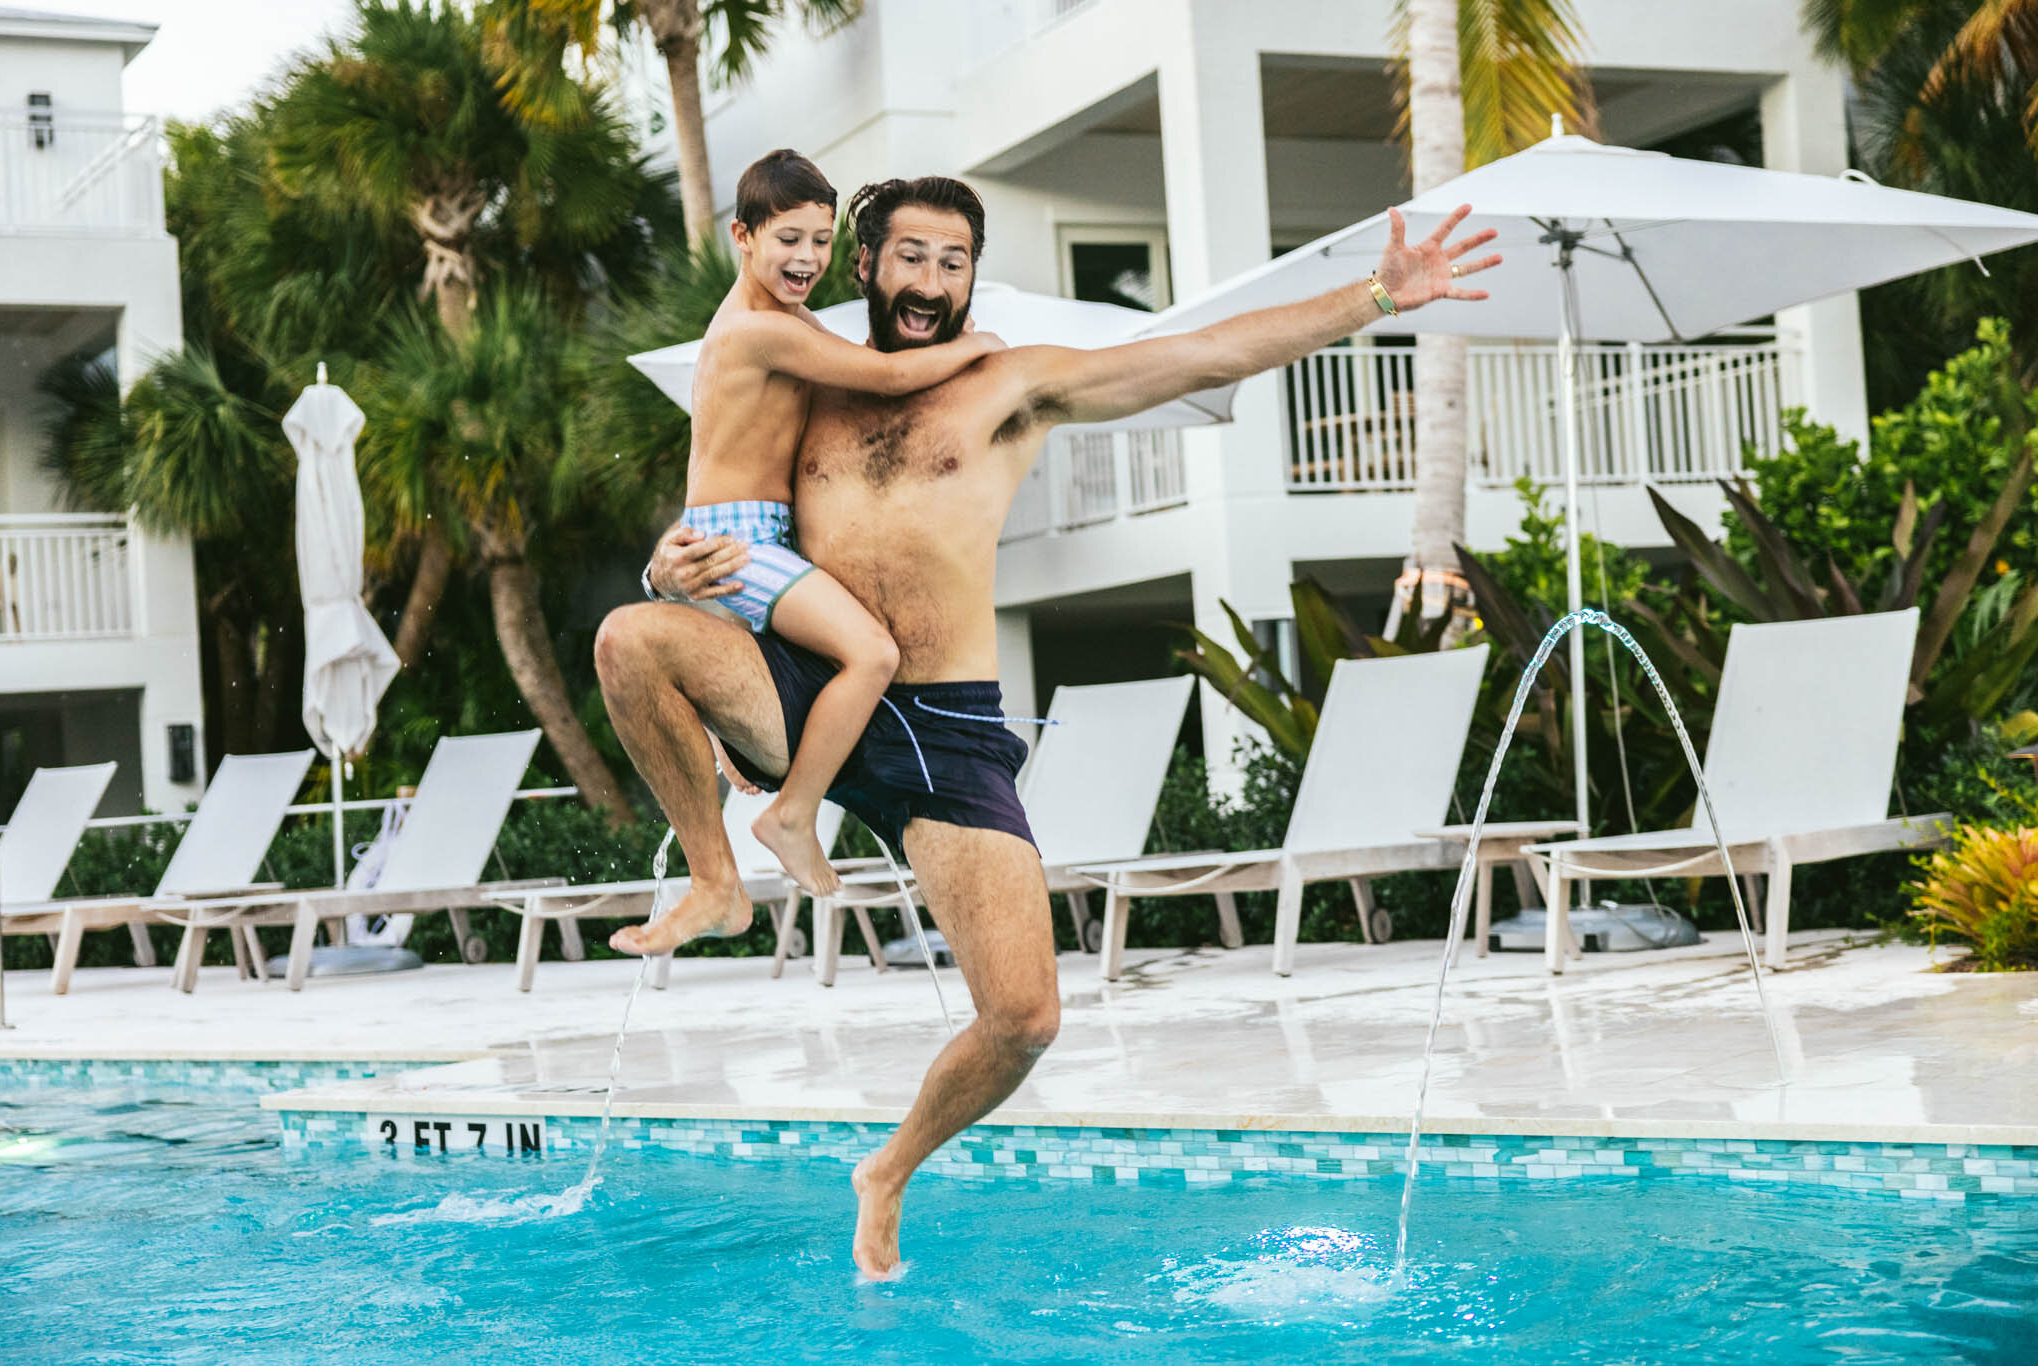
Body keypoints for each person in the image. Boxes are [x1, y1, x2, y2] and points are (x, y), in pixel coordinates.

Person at [595, 175, 1497, 1278]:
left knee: (1023, 1016)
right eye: (910, 257)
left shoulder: (1006, 383)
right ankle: (714, 875)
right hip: (804, 681)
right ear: (865, 262)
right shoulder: (806, 376)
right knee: (631, 637)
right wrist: (664, 564)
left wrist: (1370, 295)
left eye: (953, 260)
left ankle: (885, 1170)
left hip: (945, 723)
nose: (930, 282)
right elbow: (723, 503)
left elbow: (1202, 354)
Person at [623, 150, 1004, 922]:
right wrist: (978, 346)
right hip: (742, 545)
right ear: (743, 235)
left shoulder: (790, 323)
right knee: (872, 654)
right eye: (789, 239)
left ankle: (753, 770)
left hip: (759, 542)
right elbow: (893, 377)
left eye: (822, 241)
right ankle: (792, 816)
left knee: (831, 659)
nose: (807, 259)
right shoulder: (757, 331)